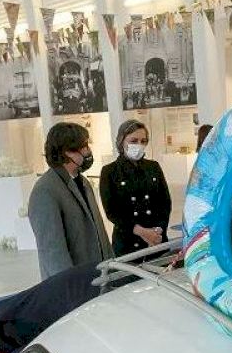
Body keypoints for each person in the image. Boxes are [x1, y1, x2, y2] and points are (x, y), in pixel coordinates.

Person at [28, 122, 111, 278]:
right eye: (84, 146)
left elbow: (100, 233)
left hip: (98, 277)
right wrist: (70, 285)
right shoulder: (45, 191)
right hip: (75, 284)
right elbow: (52, 251)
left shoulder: (83, 182)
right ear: (67, 152)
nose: (88, 151)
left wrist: (111, 268)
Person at [99, 119, 172, 256]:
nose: (139, 145)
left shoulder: (153, 167)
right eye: (133, 141)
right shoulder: (110, 171)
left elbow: (165, 203)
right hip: (128, 244)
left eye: (143, 141)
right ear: (121, 141)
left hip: (156, 240)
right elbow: (112, 211)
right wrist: (142, 232)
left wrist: (158, 231)